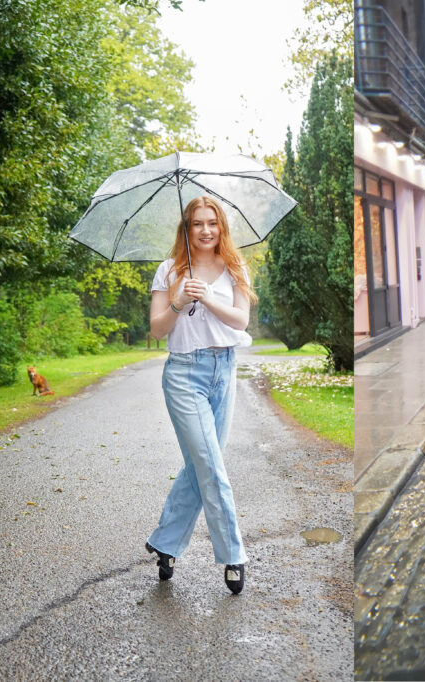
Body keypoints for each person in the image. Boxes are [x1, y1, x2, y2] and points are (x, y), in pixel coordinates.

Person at [142, 196, 256, 597]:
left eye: (212, 223)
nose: (206, 230)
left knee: (202, 463)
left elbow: (241, 319)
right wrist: (179, 300)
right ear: (186, 229)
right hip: (184, 374)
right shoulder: (169, 270)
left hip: (225, 370)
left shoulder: (235, 266)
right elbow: (157, 330)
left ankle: (166, 543)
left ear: (221, 227)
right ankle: (233, 555)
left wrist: (207, 296)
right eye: (197, 224)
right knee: (211, 464)